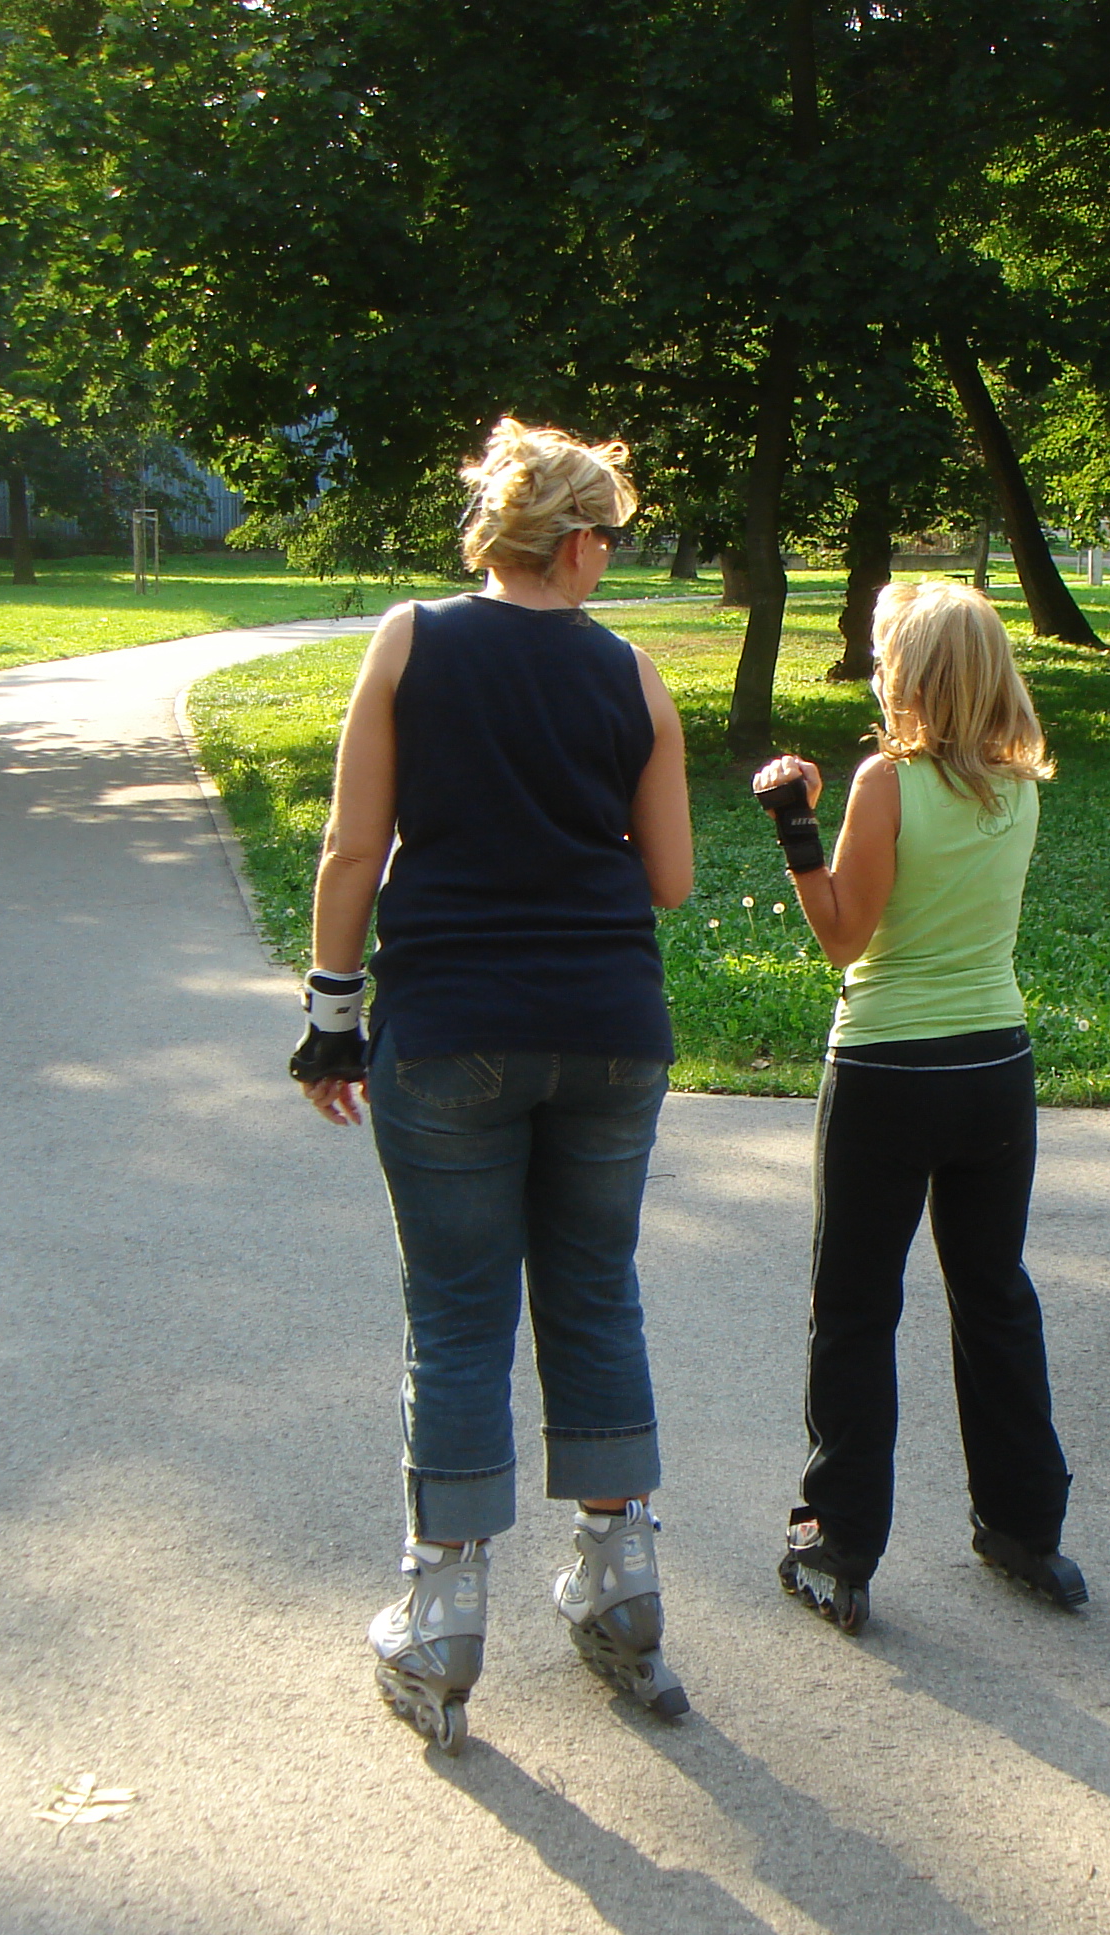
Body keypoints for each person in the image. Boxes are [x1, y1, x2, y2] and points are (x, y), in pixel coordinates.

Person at [288, 417, 694, 1752]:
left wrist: (332, 1016)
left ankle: (444, 1616)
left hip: (452, 1021)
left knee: (459, 1312)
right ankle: (622, 1582)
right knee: (594, 1288)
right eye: (611, 540)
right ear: (575, 543)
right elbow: (672, 879)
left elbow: (356, 847)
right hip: (611, 1026)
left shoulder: (409, 639)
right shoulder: (634, 677)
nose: (610, 562)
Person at [749, 579, 1085, 1633]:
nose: (878, 666)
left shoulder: (885, 783)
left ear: (917, 677)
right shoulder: (1018, 785)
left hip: (888, 1071)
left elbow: (843, 935)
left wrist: (792, 822)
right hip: (995, 1065)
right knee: (992, 1296)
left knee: (854, 1307)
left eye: (888, 652)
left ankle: (839, 1543)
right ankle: (1026, 1528)